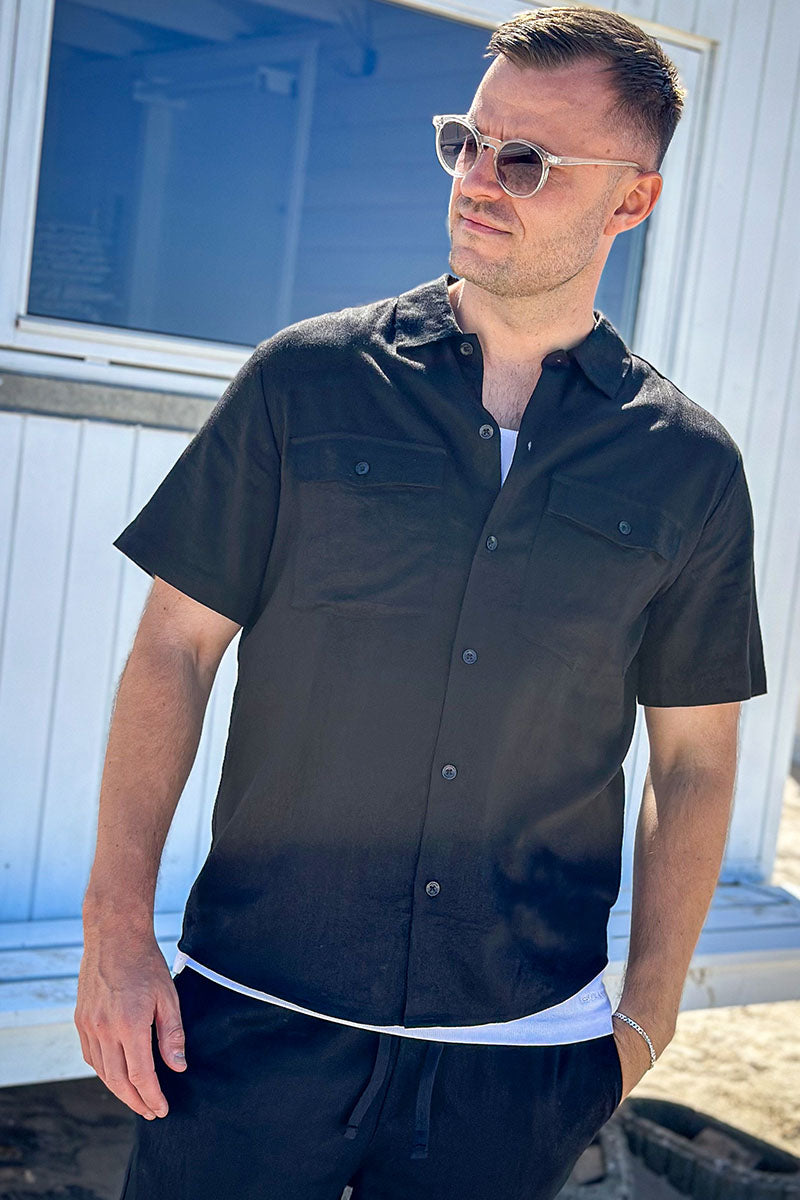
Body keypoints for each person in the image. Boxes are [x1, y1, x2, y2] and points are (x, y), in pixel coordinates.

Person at [75, 6, 768, 1199]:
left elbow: (695, 762)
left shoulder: (686, 467)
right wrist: (116, 934)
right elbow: (173, 652)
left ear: (631, 201)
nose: (478, 181)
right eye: (466, 141)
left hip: (518, 1058)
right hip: (247, 1023)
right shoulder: (303, 383)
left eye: (526, 160)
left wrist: (646, 1019)